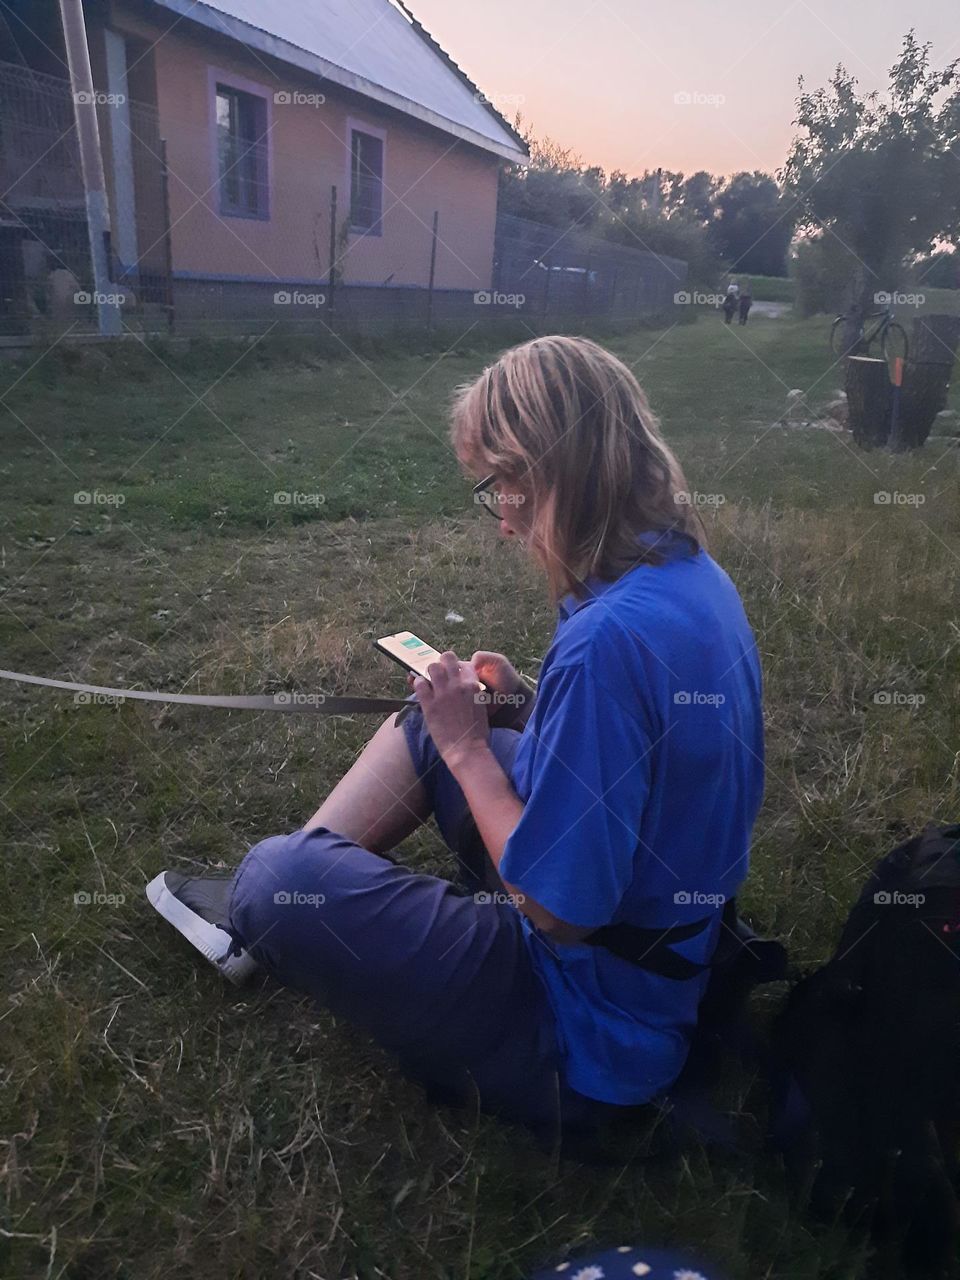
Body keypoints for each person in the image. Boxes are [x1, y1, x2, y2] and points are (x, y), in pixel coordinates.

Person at [147, 335, 764, 1146]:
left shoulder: (606, 638)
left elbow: (557, 913)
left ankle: (261, 905)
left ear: (546, 474)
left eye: (496, 487)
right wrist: (523, 709)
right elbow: (645, 759)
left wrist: (474, 748)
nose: (500, 520)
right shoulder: (685, 578)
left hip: (594, 1029)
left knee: (277, 871)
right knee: (431, 726)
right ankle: (259, 920)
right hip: (665, 958)